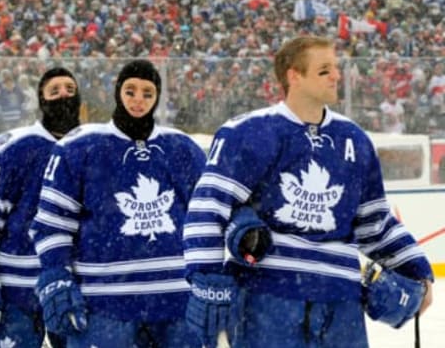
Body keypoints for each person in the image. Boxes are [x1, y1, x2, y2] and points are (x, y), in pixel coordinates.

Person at [183, 36, 434, 348]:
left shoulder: (354, 140)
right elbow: (208, 207)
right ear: (294, 76)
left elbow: (375, 223)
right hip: (268, 300)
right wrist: (206, 279)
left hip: (341, 304)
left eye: (336, 68)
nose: (337, 76)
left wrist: (417, 270)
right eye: (324, 70)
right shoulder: (249, 132)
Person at [29, 59, 206, 347]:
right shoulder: (80, 146)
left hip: (176, 301)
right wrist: (55, 274)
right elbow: (53, 222)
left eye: (147, 94)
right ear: (118, 91)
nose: (138, 100)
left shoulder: (181, 147)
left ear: (157, 96)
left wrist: (211, 276)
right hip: (103, 303)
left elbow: (208, 216)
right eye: (131, 91)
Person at [0, 67, 82, 348]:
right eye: (54, 91)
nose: (63, 95)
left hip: (75, 286)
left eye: (69, 90)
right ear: (41, 100)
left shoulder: (93, 146)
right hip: (16, 289)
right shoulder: (13, 146)